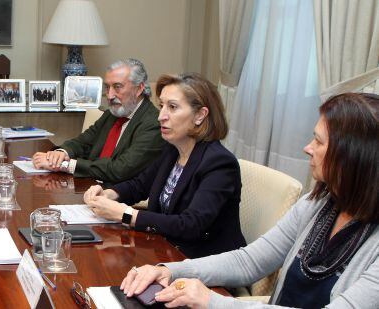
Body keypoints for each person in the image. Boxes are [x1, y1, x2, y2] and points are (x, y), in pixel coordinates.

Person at [119, 93, 379, 308]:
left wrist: (212, 301)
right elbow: (250, 261)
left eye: (319, 142)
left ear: (355, 159)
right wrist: (170, 270)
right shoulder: (317, 205)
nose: (307, 148)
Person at [84, 73, 246, 258]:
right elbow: (140, 185)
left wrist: (126, 214)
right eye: (161, 106)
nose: (161, 116)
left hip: (205, 264)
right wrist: (108, 194)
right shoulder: (173, 149)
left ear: (200, 115)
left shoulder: (219, 163)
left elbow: (191, 224)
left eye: (172, 107)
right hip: (166, 251)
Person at [31, 59, 165, 183]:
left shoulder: (154, 123)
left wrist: (65, 165)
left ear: (139, 88)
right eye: (107, 87)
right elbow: (82, 142)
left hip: (116, 196)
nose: (110, 95)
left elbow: (120, 169)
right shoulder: (111, 114)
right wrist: (60, 154)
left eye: (117, 87)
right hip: (88, 184)